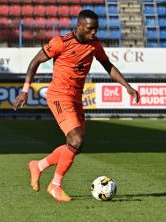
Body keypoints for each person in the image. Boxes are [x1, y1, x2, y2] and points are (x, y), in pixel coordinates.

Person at [13, 10, 140, 201]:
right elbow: (35, 61)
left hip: (76, 98)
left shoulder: (95, 45)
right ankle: (55, 186)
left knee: (75, 146)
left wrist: (127, 86)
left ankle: (38, 166)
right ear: (79, 26)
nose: (93, 32)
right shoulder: (60, 43)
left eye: (96, 29)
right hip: (59, 96)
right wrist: (25, 90)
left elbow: (108, 66)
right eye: (90, 29)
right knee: (76, 140)